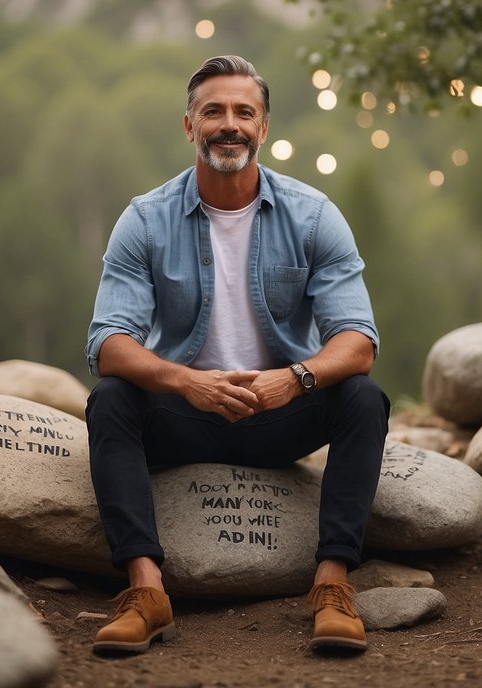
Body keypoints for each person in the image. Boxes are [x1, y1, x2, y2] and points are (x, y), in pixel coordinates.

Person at [84, 54, 390, 655]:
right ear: (190, 127)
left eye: (243, 112)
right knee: (111, 400)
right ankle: (147, 592)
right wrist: (185, 382)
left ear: (264, 128)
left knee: (362, 399)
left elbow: (357, 342)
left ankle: (331, 586)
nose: (230, 124)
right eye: (213, 111)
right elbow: (108, 343)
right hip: (184, 415)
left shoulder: (313, 215)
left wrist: (294, 379)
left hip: (281, 414)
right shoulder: (145, 219)